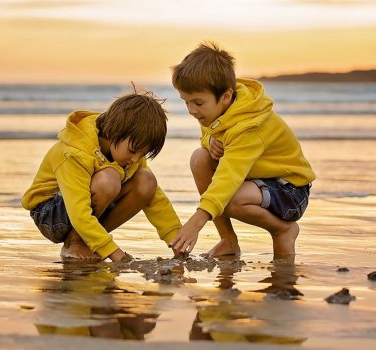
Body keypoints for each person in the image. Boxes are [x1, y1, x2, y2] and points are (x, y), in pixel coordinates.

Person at [170, 42, 315, 259]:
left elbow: (228, 177)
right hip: (257, 181)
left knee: (230, 198)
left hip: (290, 190)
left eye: (198, 103)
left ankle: (283, 229)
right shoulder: (218, 111)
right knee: (200, 158)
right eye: (186, 102)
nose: (191, 110)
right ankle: (228, 240)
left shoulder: (249, 127)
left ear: (226, 96)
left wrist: (197, 220)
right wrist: (209, 141)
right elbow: (211, 134)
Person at [21, 90, 181, 262]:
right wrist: (115, 253)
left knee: (146, 180)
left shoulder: (128, 153)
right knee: (108, 179)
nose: (136, 159)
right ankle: (74, 243)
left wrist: (177, 239)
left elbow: (155, 198)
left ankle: (88, 240)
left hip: (83, 212)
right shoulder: (75, 152)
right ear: (113, 131)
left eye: (143, 154)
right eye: (133, 151)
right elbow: (79, 212)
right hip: (50, 214)